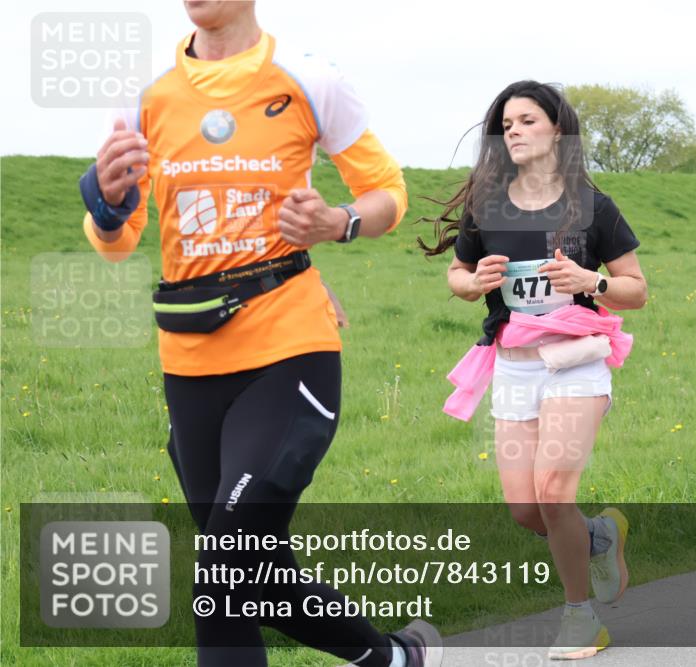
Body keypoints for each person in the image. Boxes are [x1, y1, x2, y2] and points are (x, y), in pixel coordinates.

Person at [79, 2, 441, 665]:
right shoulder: (145, 95)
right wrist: (105, 206)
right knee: (254, 573)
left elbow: (387, 193)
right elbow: (118, 239)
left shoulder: (309, 78)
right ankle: (395, 658)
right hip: (189, 364)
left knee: (221, 576)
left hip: (289, 352)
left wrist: (337, 221)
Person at [420, 81, 648, 660]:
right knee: (526, 509)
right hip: (514, 369)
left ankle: (580, 618)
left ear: (557, 129)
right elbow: (458, 274)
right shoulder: (487, 206)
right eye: (506, 125)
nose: (513, 132)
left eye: (526, 120)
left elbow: (636, 289)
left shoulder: (593, 207)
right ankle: (599, 535)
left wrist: (592, 282)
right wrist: (472, 283)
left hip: (576, 366)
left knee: (553, 491)